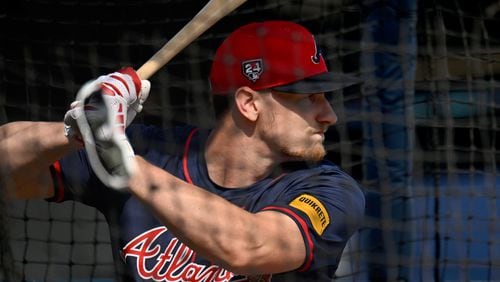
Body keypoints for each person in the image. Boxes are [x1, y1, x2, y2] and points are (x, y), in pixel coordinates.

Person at [0, 20, 365, 281]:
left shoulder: (330, 190)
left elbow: (249, 248)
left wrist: (123, 163)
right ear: (249, 104)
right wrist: (77, 130)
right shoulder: (155, 151)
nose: (328, 115)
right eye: (309, 98)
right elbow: (8, 171)